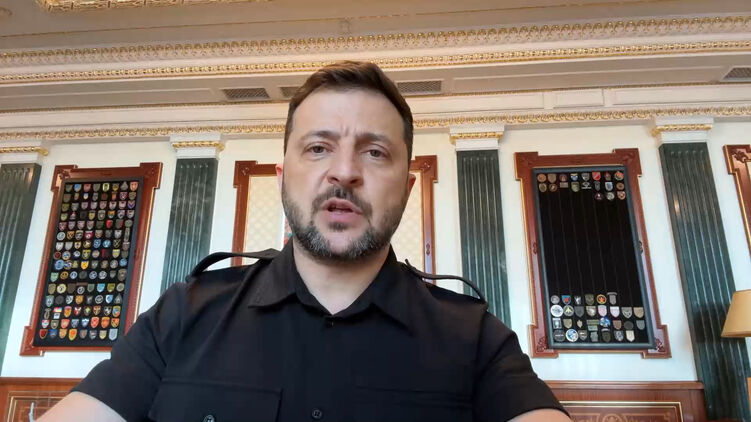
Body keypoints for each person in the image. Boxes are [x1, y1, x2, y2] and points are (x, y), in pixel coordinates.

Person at [38, 61, 570, 422]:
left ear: (407, 188)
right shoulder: (184, 314)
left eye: (375, 152)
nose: (344, 171)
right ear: (282, 176)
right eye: (318, 148)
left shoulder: (475, 338)